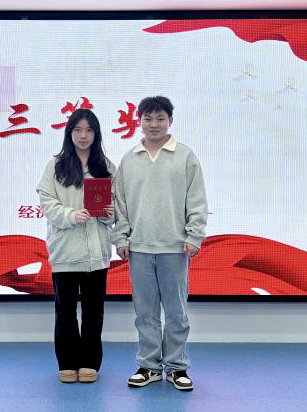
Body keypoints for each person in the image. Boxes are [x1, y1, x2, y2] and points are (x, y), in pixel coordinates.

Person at [112, 96, 208, 391]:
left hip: (175, 248)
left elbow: (197, 200)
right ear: (139, 121)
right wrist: (120, 237)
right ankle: (149, 366)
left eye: (160, 119)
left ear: (170, 121)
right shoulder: (130, 159)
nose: (154, 124)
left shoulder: (185, 156)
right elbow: (120, 204)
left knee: (177, 312)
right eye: (148, 118)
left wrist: (194, 235)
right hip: (139, 248)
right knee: (145, 313)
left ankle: (177, 367)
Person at [36, 108, 116, 384]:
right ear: (69, 133)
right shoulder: (56, 166)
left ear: (96, 134)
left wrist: (109, 214)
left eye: (89, 130)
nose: (83, 136)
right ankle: (68, 363)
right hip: (65, 251)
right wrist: (71, 215)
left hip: (96, 253)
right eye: (78, 130)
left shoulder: (106, 166)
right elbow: (47, 201)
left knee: (94, 311)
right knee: (65, 311)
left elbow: (119, 205)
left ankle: (90, 362)